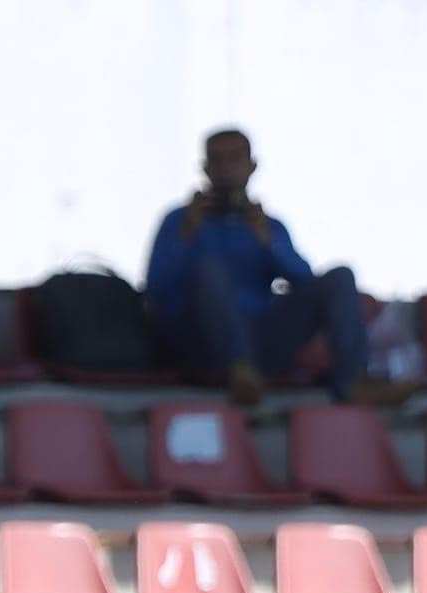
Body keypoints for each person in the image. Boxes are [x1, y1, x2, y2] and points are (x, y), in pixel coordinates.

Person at [145, 128, 407, 408]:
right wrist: (185, 236)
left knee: (341, 276)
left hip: (262, 342)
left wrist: (270, 244)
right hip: (202, 343)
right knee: (210, 270)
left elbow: (305, 281)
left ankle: (354, 382)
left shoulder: (268, 226)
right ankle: (239, 370)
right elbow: (154, 291)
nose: (226, 169)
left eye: (234, 159)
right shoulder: (177, 221)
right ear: (205, 168)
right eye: (217, 160)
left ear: (252, 166)